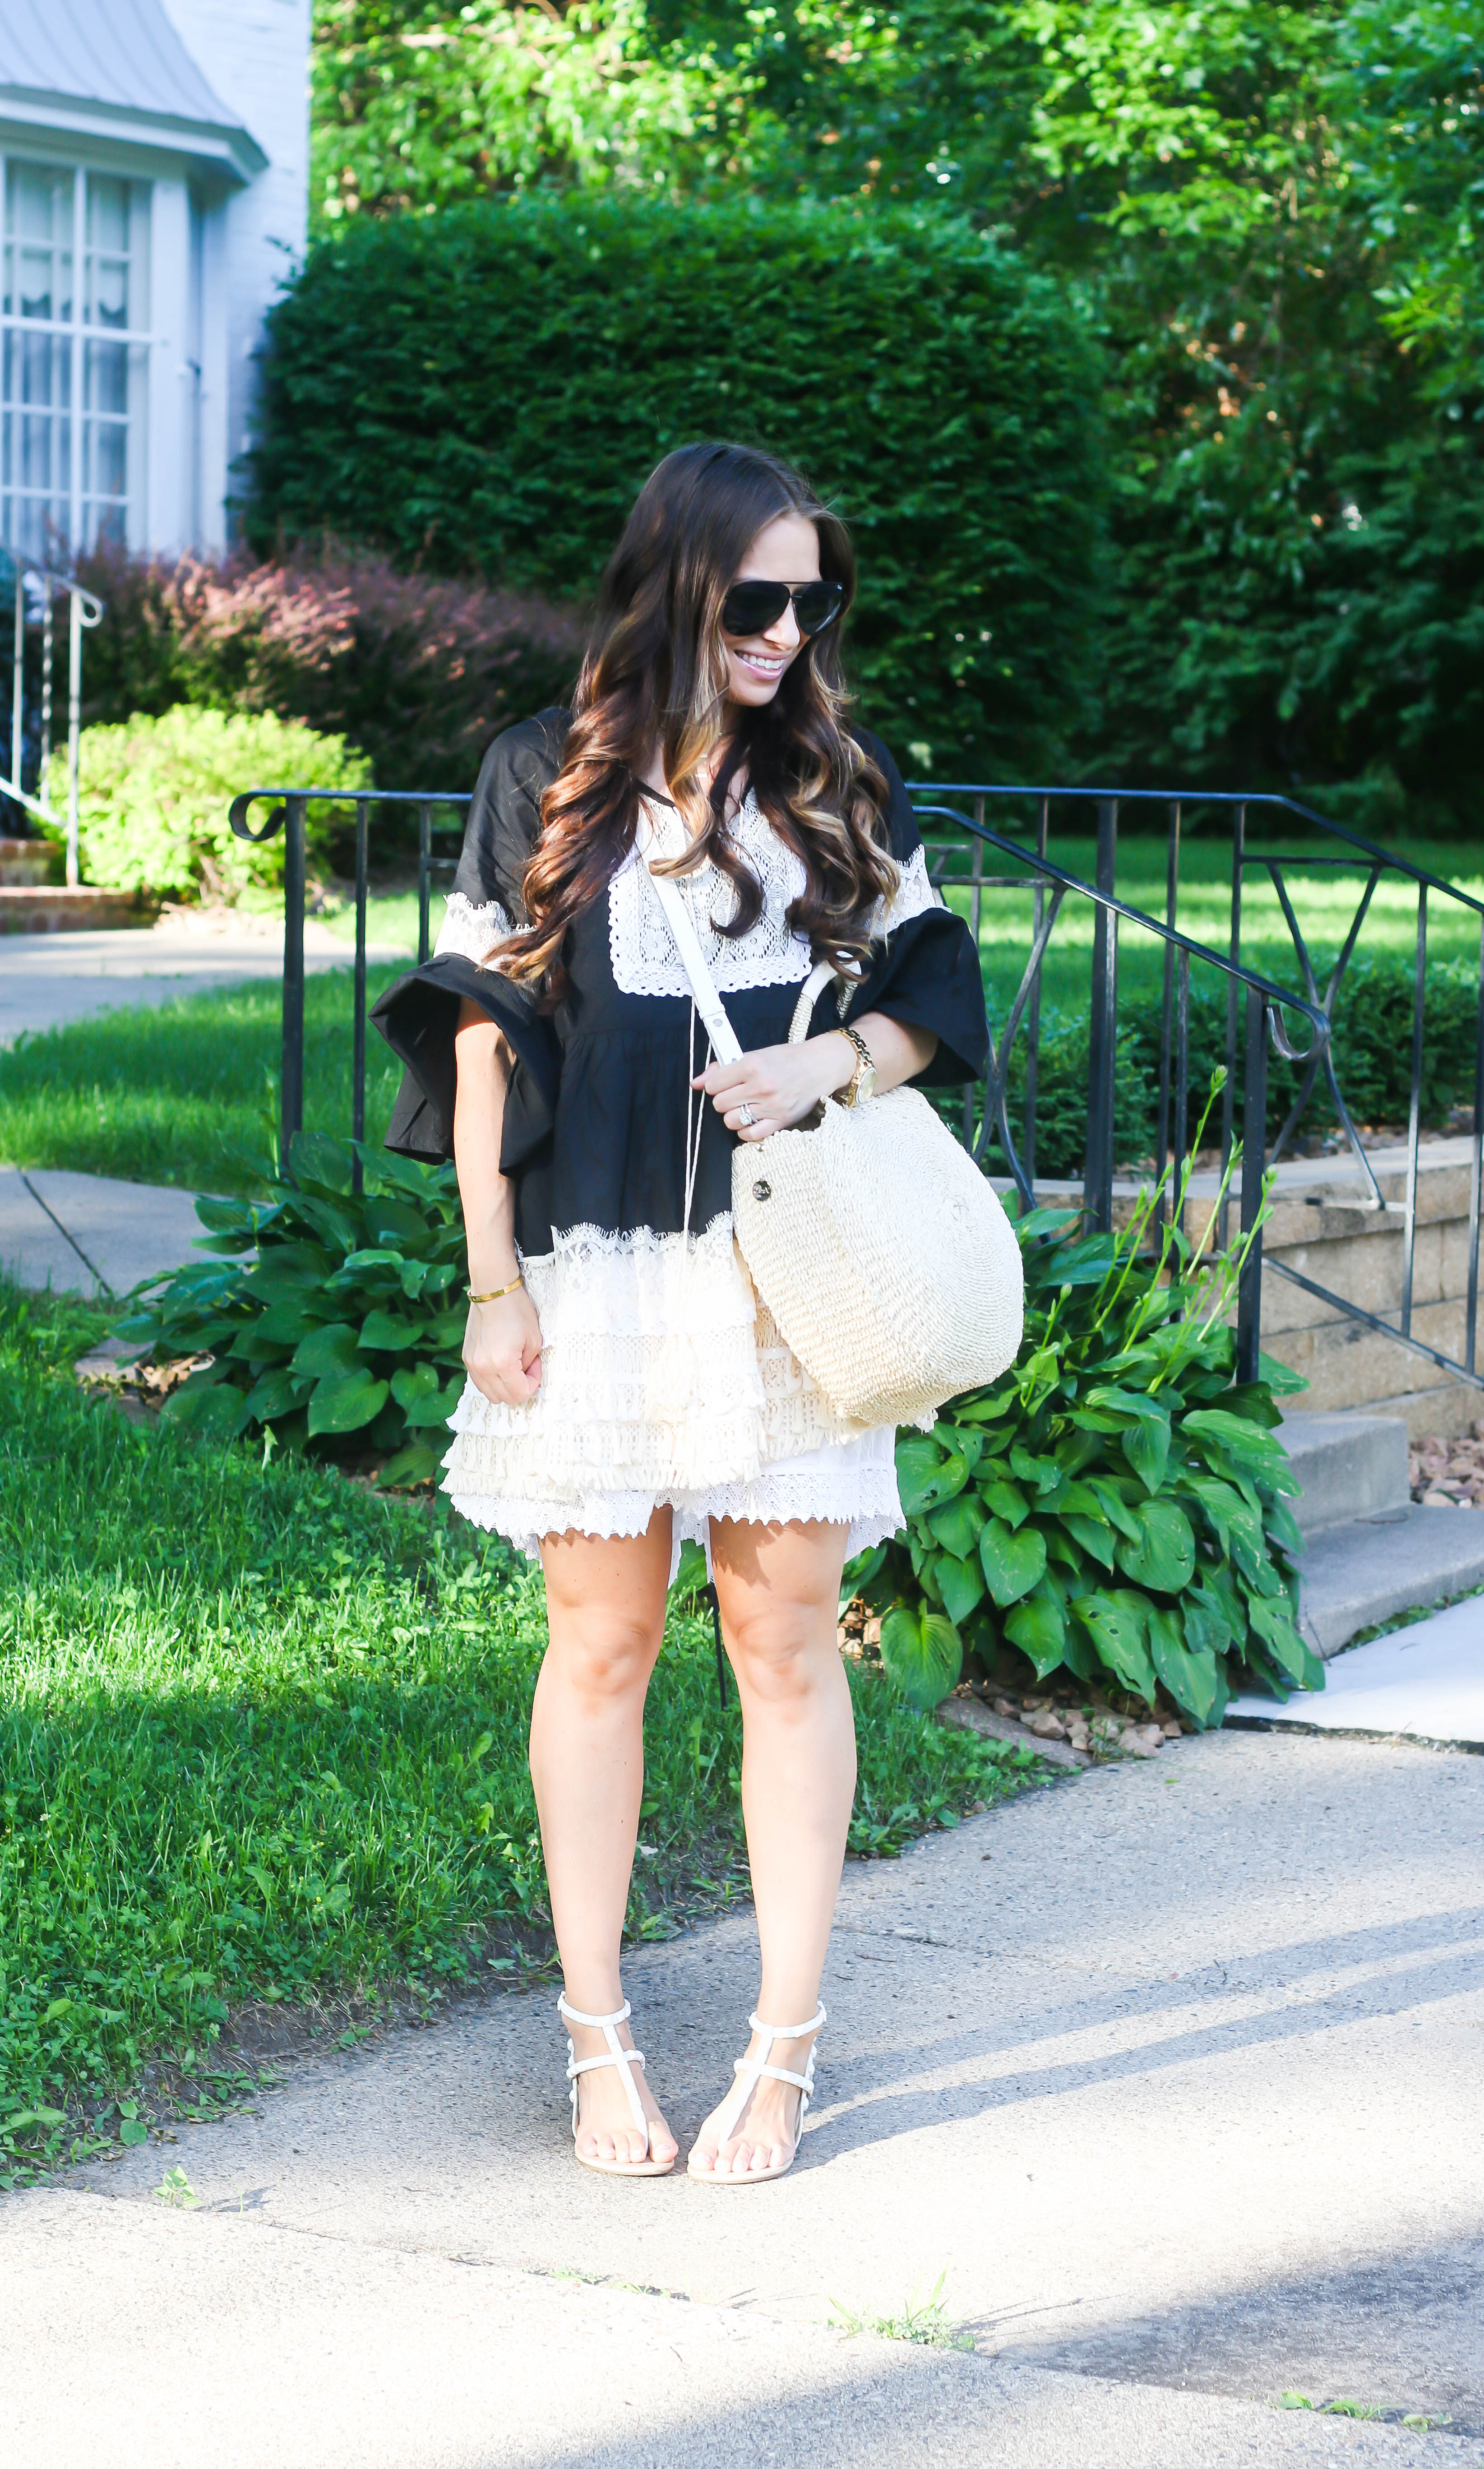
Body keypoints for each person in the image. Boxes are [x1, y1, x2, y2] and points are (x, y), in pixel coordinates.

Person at [375, 441, 988, 2182]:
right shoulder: (542, 775)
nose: (789, 632)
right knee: (601, 1649)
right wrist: (491, 1283)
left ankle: (782, 2054)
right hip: (600, 1278)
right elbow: (485, 1046)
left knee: (783, 1650)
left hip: (790, 1285)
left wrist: (829, 1060)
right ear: (677, 586)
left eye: (814, 600)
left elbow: (938, 996)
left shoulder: (842, 781)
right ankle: (599, 2041)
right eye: (757, 600)